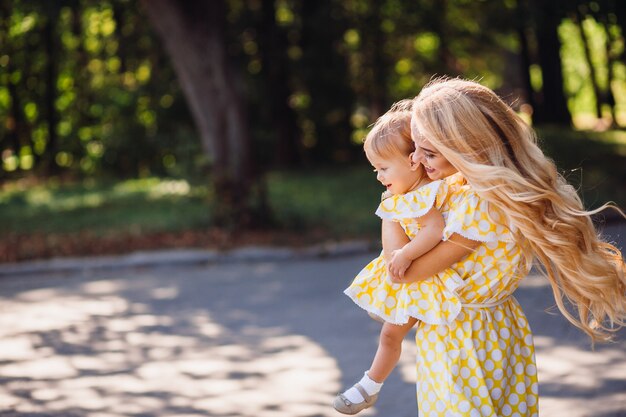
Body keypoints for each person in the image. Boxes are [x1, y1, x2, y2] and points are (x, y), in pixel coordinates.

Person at [381, 77, 626, 416]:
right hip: (489, 331)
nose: (418, 162)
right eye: (416, 150)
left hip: (465, 341)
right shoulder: (471, 188)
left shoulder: (480, 205)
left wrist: (390, 210)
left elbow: (405, 276)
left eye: (430, 152)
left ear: (465, 144)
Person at [334, 102, 461, 415]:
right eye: (375, 169)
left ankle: (370, 386)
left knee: (390, 334)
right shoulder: (408, 193)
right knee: (390, 333)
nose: (378, 177)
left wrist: (406, 252)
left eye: (384, 168)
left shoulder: (423, 195)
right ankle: (370, 384)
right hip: (416, 274)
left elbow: (434, 229)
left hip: (427, 278)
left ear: (412, 162)